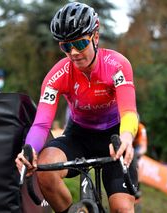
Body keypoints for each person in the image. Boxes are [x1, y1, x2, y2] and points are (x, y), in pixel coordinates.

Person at [15, 2, 139, 212]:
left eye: (80, 44)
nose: (73, 52)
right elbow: (42, 123)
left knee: (122, 208)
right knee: (45, 170)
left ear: (95, 37)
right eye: (65, 46)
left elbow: (128, 111)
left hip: (114, 135)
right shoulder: (57, 75)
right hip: (78, 135)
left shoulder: (117, 65)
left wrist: (126, 137)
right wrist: (30, 150)